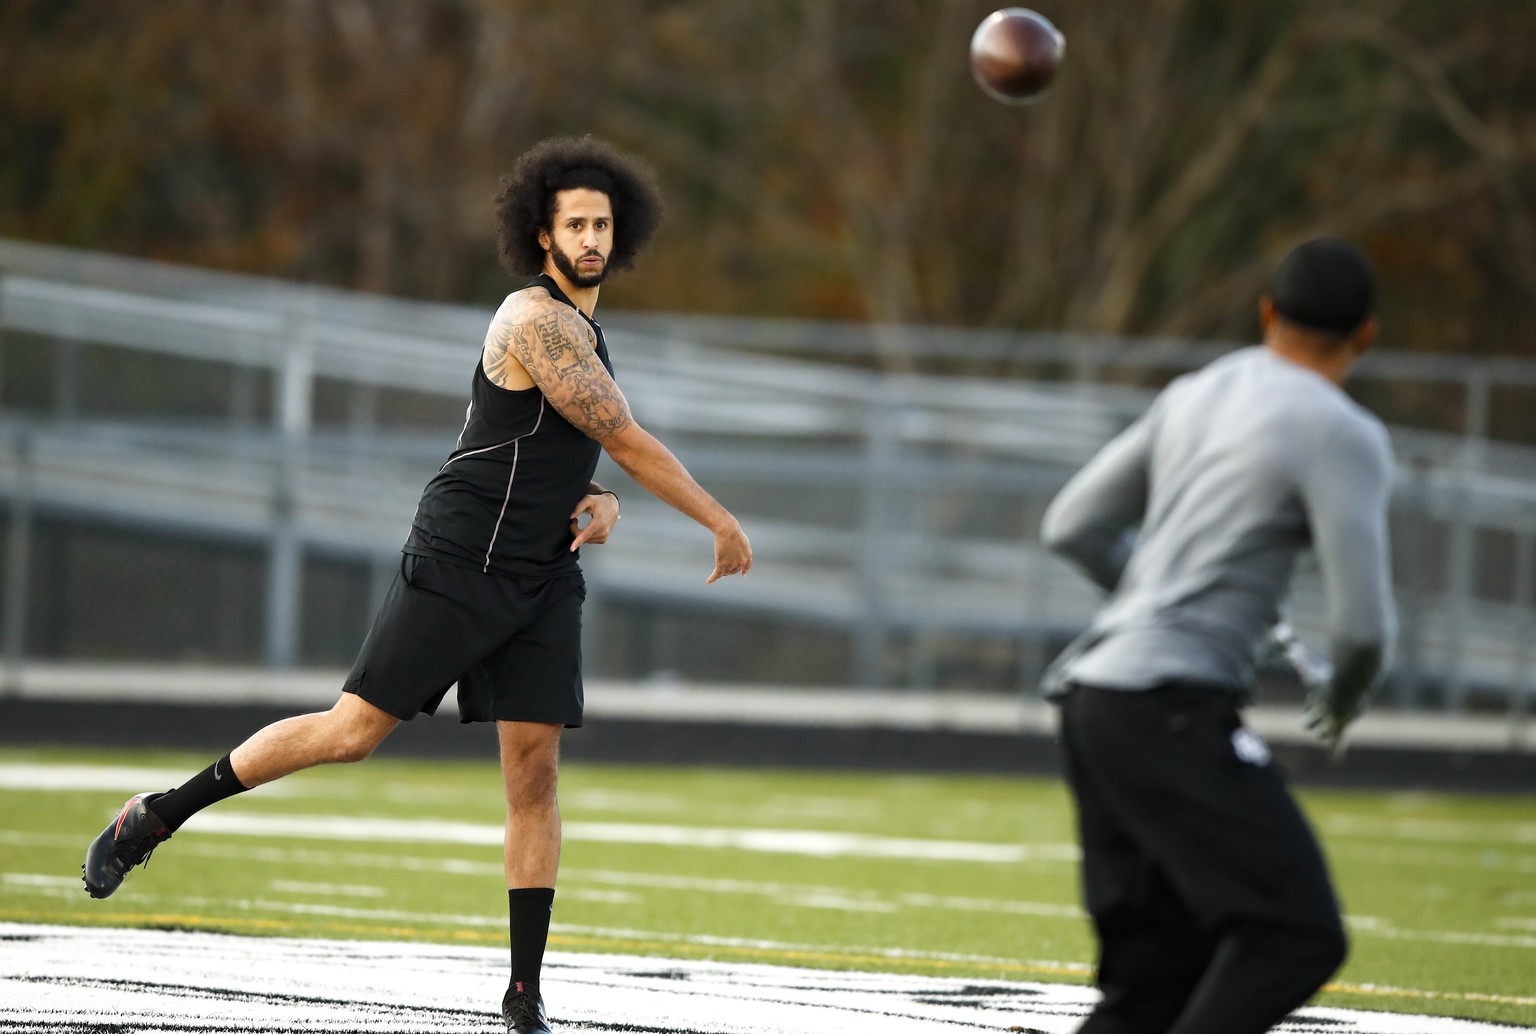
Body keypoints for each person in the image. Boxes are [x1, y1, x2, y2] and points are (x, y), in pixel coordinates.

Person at [81, 135, 753, 1034]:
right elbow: (621, 434)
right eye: (575, 223)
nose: (592, 236)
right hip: (459, 559)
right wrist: (717, 517)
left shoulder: (590, 332)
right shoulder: (536, 318)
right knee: (351, 733)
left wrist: (597, 502)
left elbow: (558, 443)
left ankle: (523, 995)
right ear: (542, 237)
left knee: (535, 773)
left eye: (603, 222)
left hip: (542, 575)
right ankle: (156, 816)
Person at [1037, 237, 1396, 1034]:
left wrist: (1150, 600)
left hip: (1092, 698)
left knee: (1150, 986)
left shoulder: (1199, 391)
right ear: (1366, 334)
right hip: (1169, 706)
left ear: (1267, 313)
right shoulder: (1342, 430)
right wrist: (1342, 698)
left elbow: (1071, 527)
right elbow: (1364, 628)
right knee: (1294, 935)